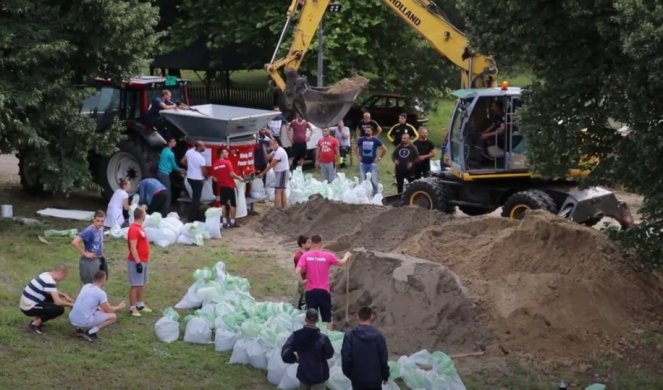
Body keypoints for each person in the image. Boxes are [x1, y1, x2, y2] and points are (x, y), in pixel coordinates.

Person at [295, 234, 351, 330]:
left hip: (310, 291)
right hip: (324, 291)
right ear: (321, 243)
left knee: (311, 317)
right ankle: (329, 339)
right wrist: (346, 256)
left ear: (311, 243)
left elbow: (297, 271)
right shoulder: (328, 256)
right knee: (327, 318)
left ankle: (312, 337)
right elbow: (341, 263)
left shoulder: (305, 256)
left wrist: (302, 281)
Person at [281, 308, 335, 390]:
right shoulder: (323, 338)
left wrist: (295, 359)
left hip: (303, 374)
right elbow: (330, 353)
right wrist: (321, 357)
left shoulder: (296, 336)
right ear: (317, 320)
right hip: (319, 376)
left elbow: (285, 353)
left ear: (305, 319)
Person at [341, 307, 390, 390]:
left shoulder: (350, 335)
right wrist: (385, 375)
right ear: (371, 317)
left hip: (357, 378)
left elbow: (346, 357)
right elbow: (383, 359)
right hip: (375, 379)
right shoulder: (379, 336)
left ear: (357, 317)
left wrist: (348, 373)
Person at [69, 271, 126, 342]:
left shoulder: (86, 286)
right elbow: (109, 310)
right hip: (84, 322)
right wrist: (119, 307)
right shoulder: (101, 293)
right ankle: (91, 332)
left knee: (94, 310)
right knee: (113, 317)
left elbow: (91, 304)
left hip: (72, 319)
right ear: (103, 279)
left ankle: (79, 329)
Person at [19, 264, 73, 335]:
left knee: (52, 298)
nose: (63, 279)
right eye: (64, 277)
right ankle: (35, 324)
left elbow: (52, 291)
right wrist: (71, 305)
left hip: (26, 304)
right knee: (59, 309)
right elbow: (58, 302)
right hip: (28, 307)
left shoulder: (45, 274)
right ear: (61, 273)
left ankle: (36, 320)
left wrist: (64, 295)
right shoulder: (50, 281)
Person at [127, 207, 152, 317]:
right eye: (145, 212)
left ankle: (140, 304)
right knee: (135, 285)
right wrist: (137, 262)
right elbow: (133, 247)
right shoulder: (133, 229)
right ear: (141, 215)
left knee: (141, 284)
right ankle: (132, 308)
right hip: (136, 261)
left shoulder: (140, 228)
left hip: (144, 260)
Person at [210, 147, 244, 228]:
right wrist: (239, 178)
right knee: (233, 204)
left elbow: (214, 178)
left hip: (221, 187)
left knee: (223, 205)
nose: (227, 154)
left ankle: (224, 222)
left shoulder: (214, 165)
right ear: (221, 154)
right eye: (226, 152)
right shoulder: (227, 162)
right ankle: (232, 222)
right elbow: (231, 174)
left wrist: (221, 179)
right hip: (230, 186)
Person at [72, 210, 107, 284]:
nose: (100, 223)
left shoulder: (101, 229)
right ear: (93, 220)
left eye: (102, 221)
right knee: (89, 284)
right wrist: (85, 253)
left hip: (99, 258)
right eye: (97, 221)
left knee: (99, 282)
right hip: (90, 261)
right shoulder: (89, 230)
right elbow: (75, 242)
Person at [355, 127, 387, 196]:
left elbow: (384, 149)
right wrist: (358, 156)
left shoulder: (375, 140)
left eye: (369, 131)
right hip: (363, 163)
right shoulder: (361, 139)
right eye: (366, 130)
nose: (367, 132)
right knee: (362, 179)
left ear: (372, 132)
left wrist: (379, 158)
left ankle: (375, 194)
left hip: (372, 164)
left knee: (373, 180)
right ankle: (363, 195)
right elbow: (355, 148)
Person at [181, 140, 208, 222]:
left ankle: (194, 215)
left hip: (190, 178)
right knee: (196, 199)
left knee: (194, 197)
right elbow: (204, 171)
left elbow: (182, 161)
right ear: (199, 147)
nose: (205, 147)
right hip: (198, 180)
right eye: (203, 146)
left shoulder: (189, 152)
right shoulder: (201, 158)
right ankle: (193, 218)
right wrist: (206, 177)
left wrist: (190, 167)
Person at [259, 138, 290, 208]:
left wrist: (263, 173)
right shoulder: (275, 151)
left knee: (278, 191)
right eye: (269, 144)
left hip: (282, 172)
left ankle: (276, 209)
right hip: (280, 172)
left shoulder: (279, 152)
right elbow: (267, 158)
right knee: (282, 190)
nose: (270, 146)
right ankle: (284, 207)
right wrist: (264, 149)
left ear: (276, 143)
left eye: (271, 144)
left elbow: (271, 165)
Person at [156, 138, 184, 212]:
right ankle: (165, 211)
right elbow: (174, 166)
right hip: (165, 174)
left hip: (159, 173)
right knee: (168, 194)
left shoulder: (164, 150)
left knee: (161, 193)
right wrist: (181, 170)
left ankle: (159, 209)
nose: (175, 142)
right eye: (173, 141)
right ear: (169, 143)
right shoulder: (171, 154)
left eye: (175, 141)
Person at [293, 235, 311, 310]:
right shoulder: (298, 256)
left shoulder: (308, 254)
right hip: (304, 282)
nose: (310, 244)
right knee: (303, 302)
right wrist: (302, 281)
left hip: (309, 282)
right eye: (308, 242)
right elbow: (299, 271)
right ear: (303, 244)